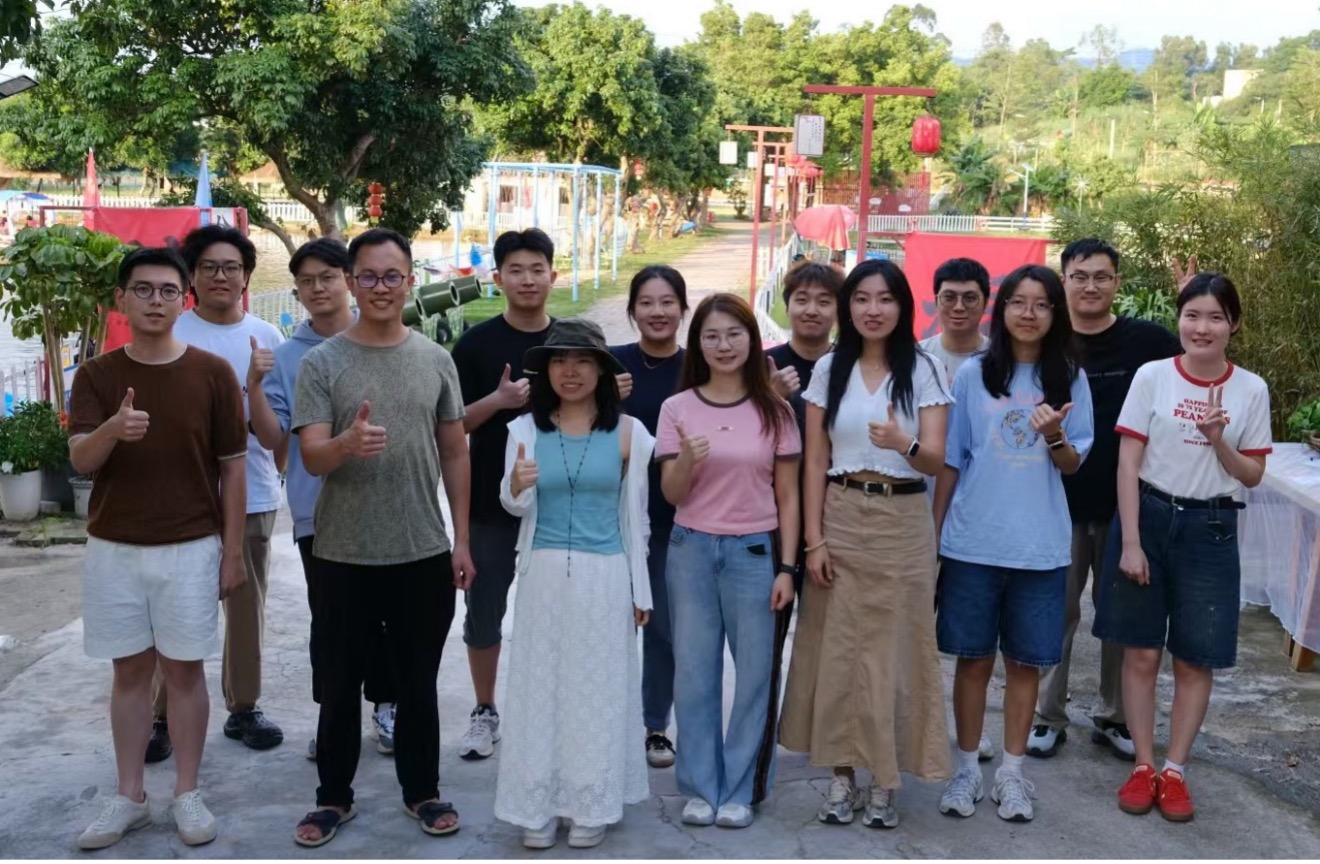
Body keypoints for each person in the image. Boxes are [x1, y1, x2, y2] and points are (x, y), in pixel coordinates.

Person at [290, 228, 475, 846]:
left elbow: (454, 449)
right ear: (350, 281)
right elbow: (312, 457)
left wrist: (462, 540)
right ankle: (333, 798)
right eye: (366, 276)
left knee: (418, 682)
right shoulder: (322, 362)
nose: (379, 287)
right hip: (341, 552)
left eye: (391, 276)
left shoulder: (435, 359)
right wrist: (344, 445)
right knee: (339, 682)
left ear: (410, 280)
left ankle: (422, 790)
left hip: (423, 550)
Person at [70, 247, 247, 849]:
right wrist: (112, 431)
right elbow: (80, 460)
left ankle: (186, 792)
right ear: (121, 300)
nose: (155, 301)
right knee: (129, 673)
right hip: (114, 546)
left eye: (167, 291)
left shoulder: (212, 373)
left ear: (184, 299)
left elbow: (233, 466)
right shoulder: (95, 375)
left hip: (191, 546)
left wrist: (230, 553)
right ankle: (130, 796)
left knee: (184, 672)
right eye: (142, 290)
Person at [779, 259, 952, 830]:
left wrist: (904, 443)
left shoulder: (923, 369)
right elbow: (814, 461)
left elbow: (934, 460)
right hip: (841, 512)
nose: (872, 309)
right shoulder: (832, 367)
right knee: (839, 649)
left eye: (885, 299)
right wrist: (813, 541)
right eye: (861, 299)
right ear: (847, 307)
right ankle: (840, 775)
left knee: (894, 651)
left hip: (904, 519)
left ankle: (885, 780)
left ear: (902, 307)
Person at [1095, 272, 1271, 823]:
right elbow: (1127, 462)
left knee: (1195, 658)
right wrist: (1129, 541)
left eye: (1215, 317)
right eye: (1192, 315)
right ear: (1180, 319)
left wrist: (1220, 440)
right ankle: (1143, 765)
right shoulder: (1152, 377)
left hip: (1211, 527)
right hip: (1147, 516)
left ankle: (1175, 770)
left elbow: (1253, 474)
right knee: (1142, 650)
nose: (1202, 327)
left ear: (1234, 325)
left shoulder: (1251, 390)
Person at [933, 265, 1094, 824]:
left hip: (1038, 547)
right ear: (1000, 312)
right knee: (972, 661)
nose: (1029, 313)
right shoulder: (974, 375)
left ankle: (1011, 773)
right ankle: (966, 770)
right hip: (974, 542)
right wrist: (934, 536)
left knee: (1025, 664)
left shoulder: (1070, 377)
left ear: (1056, 313)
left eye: (1042, 304)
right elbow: (953, 460)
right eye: (1018, 303)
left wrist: (1053, 433)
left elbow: (1073, 463)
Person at [494, 319, 655, 849]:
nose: (571, 370)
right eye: (560, 360)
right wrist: (516, 487)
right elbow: (514, 505)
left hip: (605, 575)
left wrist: (641, 591)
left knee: (597, 688)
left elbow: (638, 521)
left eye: (583, 361)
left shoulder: (632, 435)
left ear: (602, 372)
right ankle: (535, 804)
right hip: (541, 574)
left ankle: (590, 800)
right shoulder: (522, 432)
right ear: (546, 371)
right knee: (540, 686)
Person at [1027, 239, 1182, 761]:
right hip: (1056, 500)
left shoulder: (1148, 342)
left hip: (1129, 506)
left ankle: (1115, 716)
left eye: (1101, 276)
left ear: (1117, 282)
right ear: (1063, 280)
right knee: (1058, 610)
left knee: (1121, 614)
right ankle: (1048, 715)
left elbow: (1197, 374)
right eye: (1079, 276)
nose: (1090, 286)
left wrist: (1189, 306)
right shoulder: (1047, 342)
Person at [247, 238, 396, 763]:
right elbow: (272, 438)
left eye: (328, 276)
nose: (318, 288)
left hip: (386, 505)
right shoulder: (288, 356)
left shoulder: (386, 339)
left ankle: (387, 705)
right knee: (332, 621)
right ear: (297, 291)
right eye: (307, 281)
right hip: (319, 515)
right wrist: (254, 387)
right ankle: (333, 718)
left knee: (385, 617)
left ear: (349, 280)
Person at [656, 293, 800, 830]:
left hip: (755, 552)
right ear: (698, 343)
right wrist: (688, 460)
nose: (723, 345)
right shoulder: (678, 408)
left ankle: (740, 787)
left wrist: (788, 568)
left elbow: (788, 497)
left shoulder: (776, 410)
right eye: (711, 335)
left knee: (756, 675)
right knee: (694, 673)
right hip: (690, 549)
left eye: (734, 334)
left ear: (752, 340)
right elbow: (672, 494)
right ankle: (700, 785)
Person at [147, 225, 285, 760]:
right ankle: (160, 714)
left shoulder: (267, 338)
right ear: (191, 279)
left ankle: (244, 706)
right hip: (179, 500)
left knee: (246, 608)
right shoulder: (169, 333)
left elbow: (275, 430)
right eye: (209, 267)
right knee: (173, 609)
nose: (221, 276)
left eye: (231, 267)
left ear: (247, 277)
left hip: (249, 495)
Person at [450, 228, 556, 761]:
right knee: (484, 612)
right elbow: (451, 432)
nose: (528, 279)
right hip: (491, 510)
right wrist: (498, 400)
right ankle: (485, 710)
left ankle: (551, 709)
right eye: (516, 269)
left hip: (559, 511)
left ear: (554, 276)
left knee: (555, 615)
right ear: (497, 279)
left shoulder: (573, 343)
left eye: (537, 268)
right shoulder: (473, 346)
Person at [609, 266, 689, 770]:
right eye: (646, 302)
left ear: (683, 309)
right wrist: (603, 398)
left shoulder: (699, 366)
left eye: (667, 302)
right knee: (608, 626)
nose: (657, 312)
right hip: (610, 518)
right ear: (633, 309)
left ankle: (655, 725)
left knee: (661, 629)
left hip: (674, 520)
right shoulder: (611, 366)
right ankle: (606, 722)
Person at [919, 257, 992, 383]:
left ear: (985, 304)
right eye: (949, 297)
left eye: (969, 298)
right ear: (936, 302)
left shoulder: (1001, 358)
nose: (959, 307)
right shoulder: (917, 357)